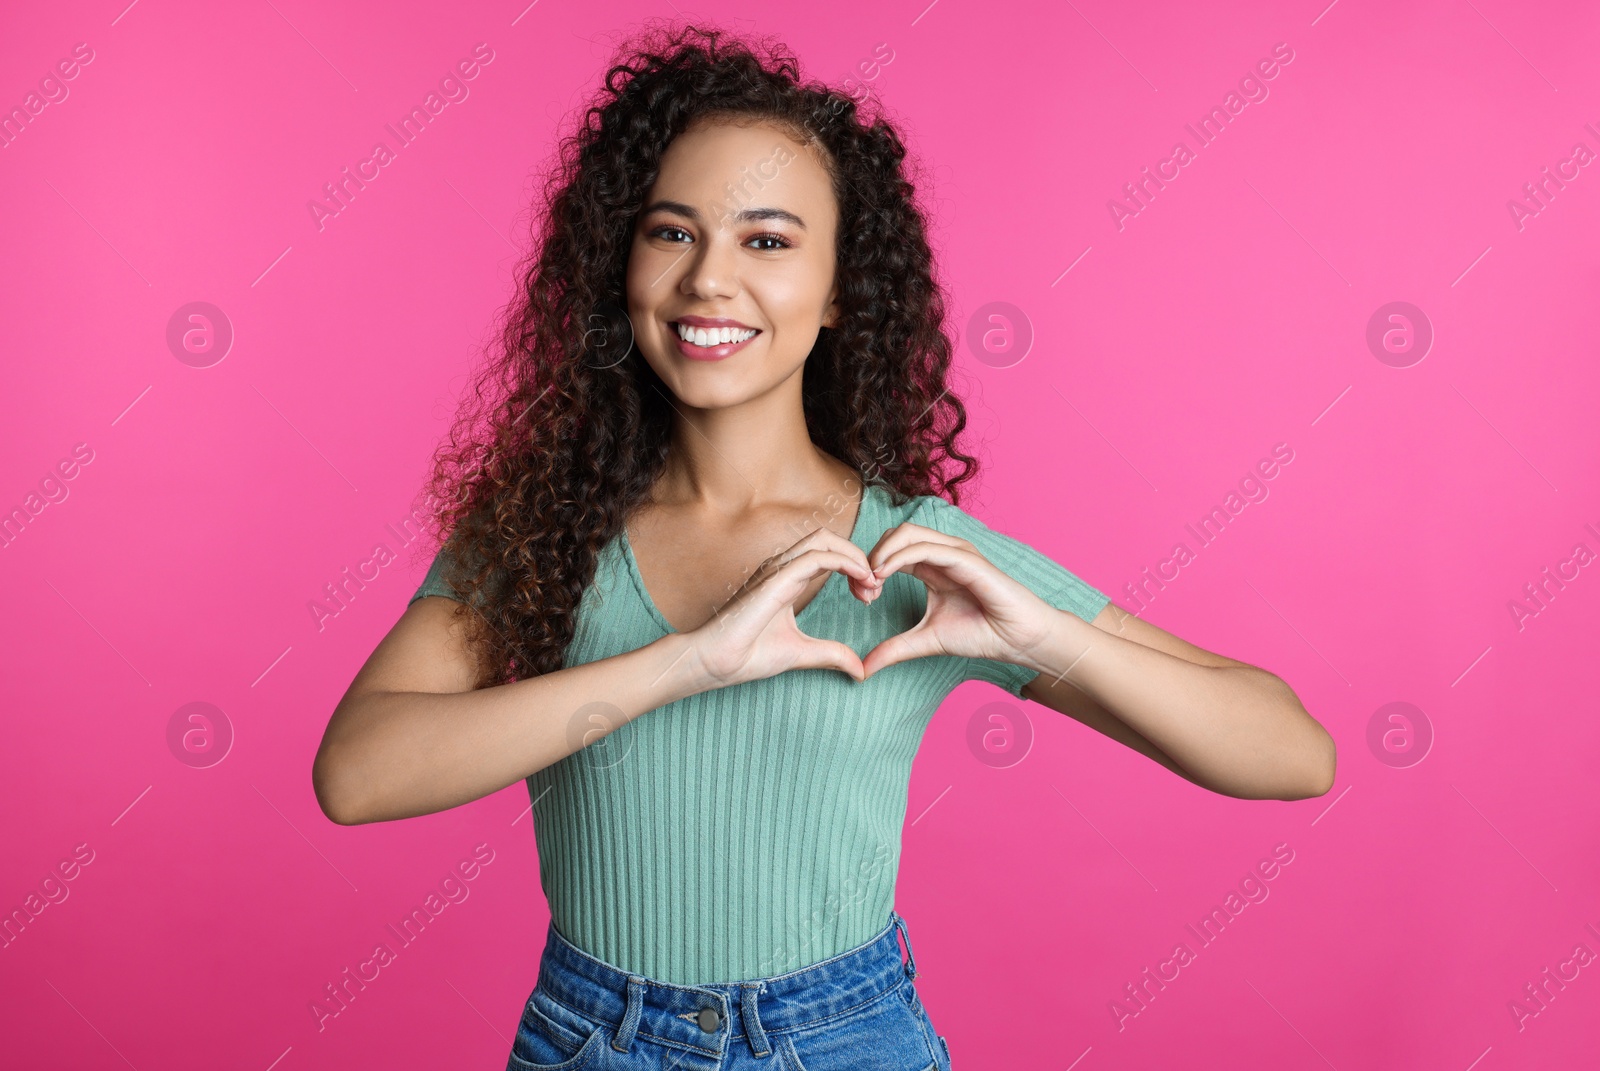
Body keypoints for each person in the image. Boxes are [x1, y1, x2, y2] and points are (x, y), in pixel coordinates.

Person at [311, 22, 1335, 1070]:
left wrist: (1049, 636)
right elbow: (356, 774)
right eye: (671, 233)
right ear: (617, 260)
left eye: (767, 241)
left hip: (840, 1041)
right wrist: (689, 663)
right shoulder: (543, 530)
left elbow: (1293, 755)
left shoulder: (915, 556)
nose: (709, 281)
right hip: (589, 1041)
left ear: (843, 288)